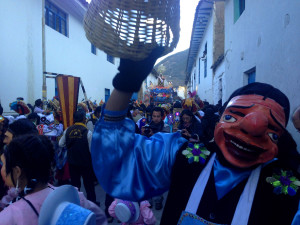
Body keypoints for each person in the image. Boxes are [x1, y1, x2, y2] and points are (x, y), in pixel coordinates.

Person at [91, 48, 300, 225]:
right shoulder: (183, 155)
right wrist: (125, 85)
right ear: (219, 119)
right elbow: (118, 158)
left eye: (270, 130)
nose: (250, 130)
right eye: (234, 116)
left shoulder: (287, 187)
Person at [0, 134, 107, 225]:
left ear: (17, 171)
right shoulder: (75, 197)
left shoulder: (9, 216)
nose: (2, 168)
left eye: (4, 164)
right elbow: (99, 218)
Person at [59, 110, 97, 204]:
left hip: (72, 162)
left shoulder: (68, 130)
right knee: (89, 184)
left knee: (75, 185)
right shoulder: (88, 132)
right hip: (85, 163)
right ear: (84, 119)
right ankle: (91, 203)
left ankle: (76, 202)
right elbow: (92, 150)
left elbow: (61, 144)